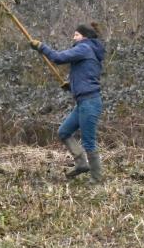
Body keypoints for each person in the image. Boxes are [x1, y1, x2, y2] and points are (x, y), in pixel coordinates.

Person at [30, 23, 105, 183]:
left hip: (90, 102)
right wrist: (71, 85)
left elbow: (58, 58)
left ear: (84, 37)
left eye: (76, 35)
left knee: (89, 142)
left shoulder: (84, 48)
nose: (74, 37)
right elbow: (86, 75)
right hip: (83, 102)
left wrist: (42, 47)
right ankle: (81, 164)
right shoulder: (88, 50)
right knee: (64, 132)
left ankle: (97, 178)